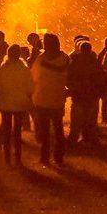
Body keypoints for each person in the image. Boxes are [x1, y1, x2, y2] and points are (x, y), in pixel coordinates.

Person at [30, 34, 71, 166]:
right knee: (58, 130)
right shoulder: (65, 59)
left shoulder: (41, 59)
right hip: (57, 98)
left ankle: (44, 157)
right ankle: (59, 157)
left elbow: (34, 77)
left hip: (42, 98)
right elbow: (69, 76)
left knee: (45, 131)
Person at [0, 44, 33, 166]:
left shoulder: (2, 69)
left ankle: (7, 159)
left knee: (6, 132)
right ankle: (18, 159)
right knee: (17, 132)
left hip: (5, 104)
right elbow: (30, 87)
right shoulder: (24, 69)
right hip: (19, 104)